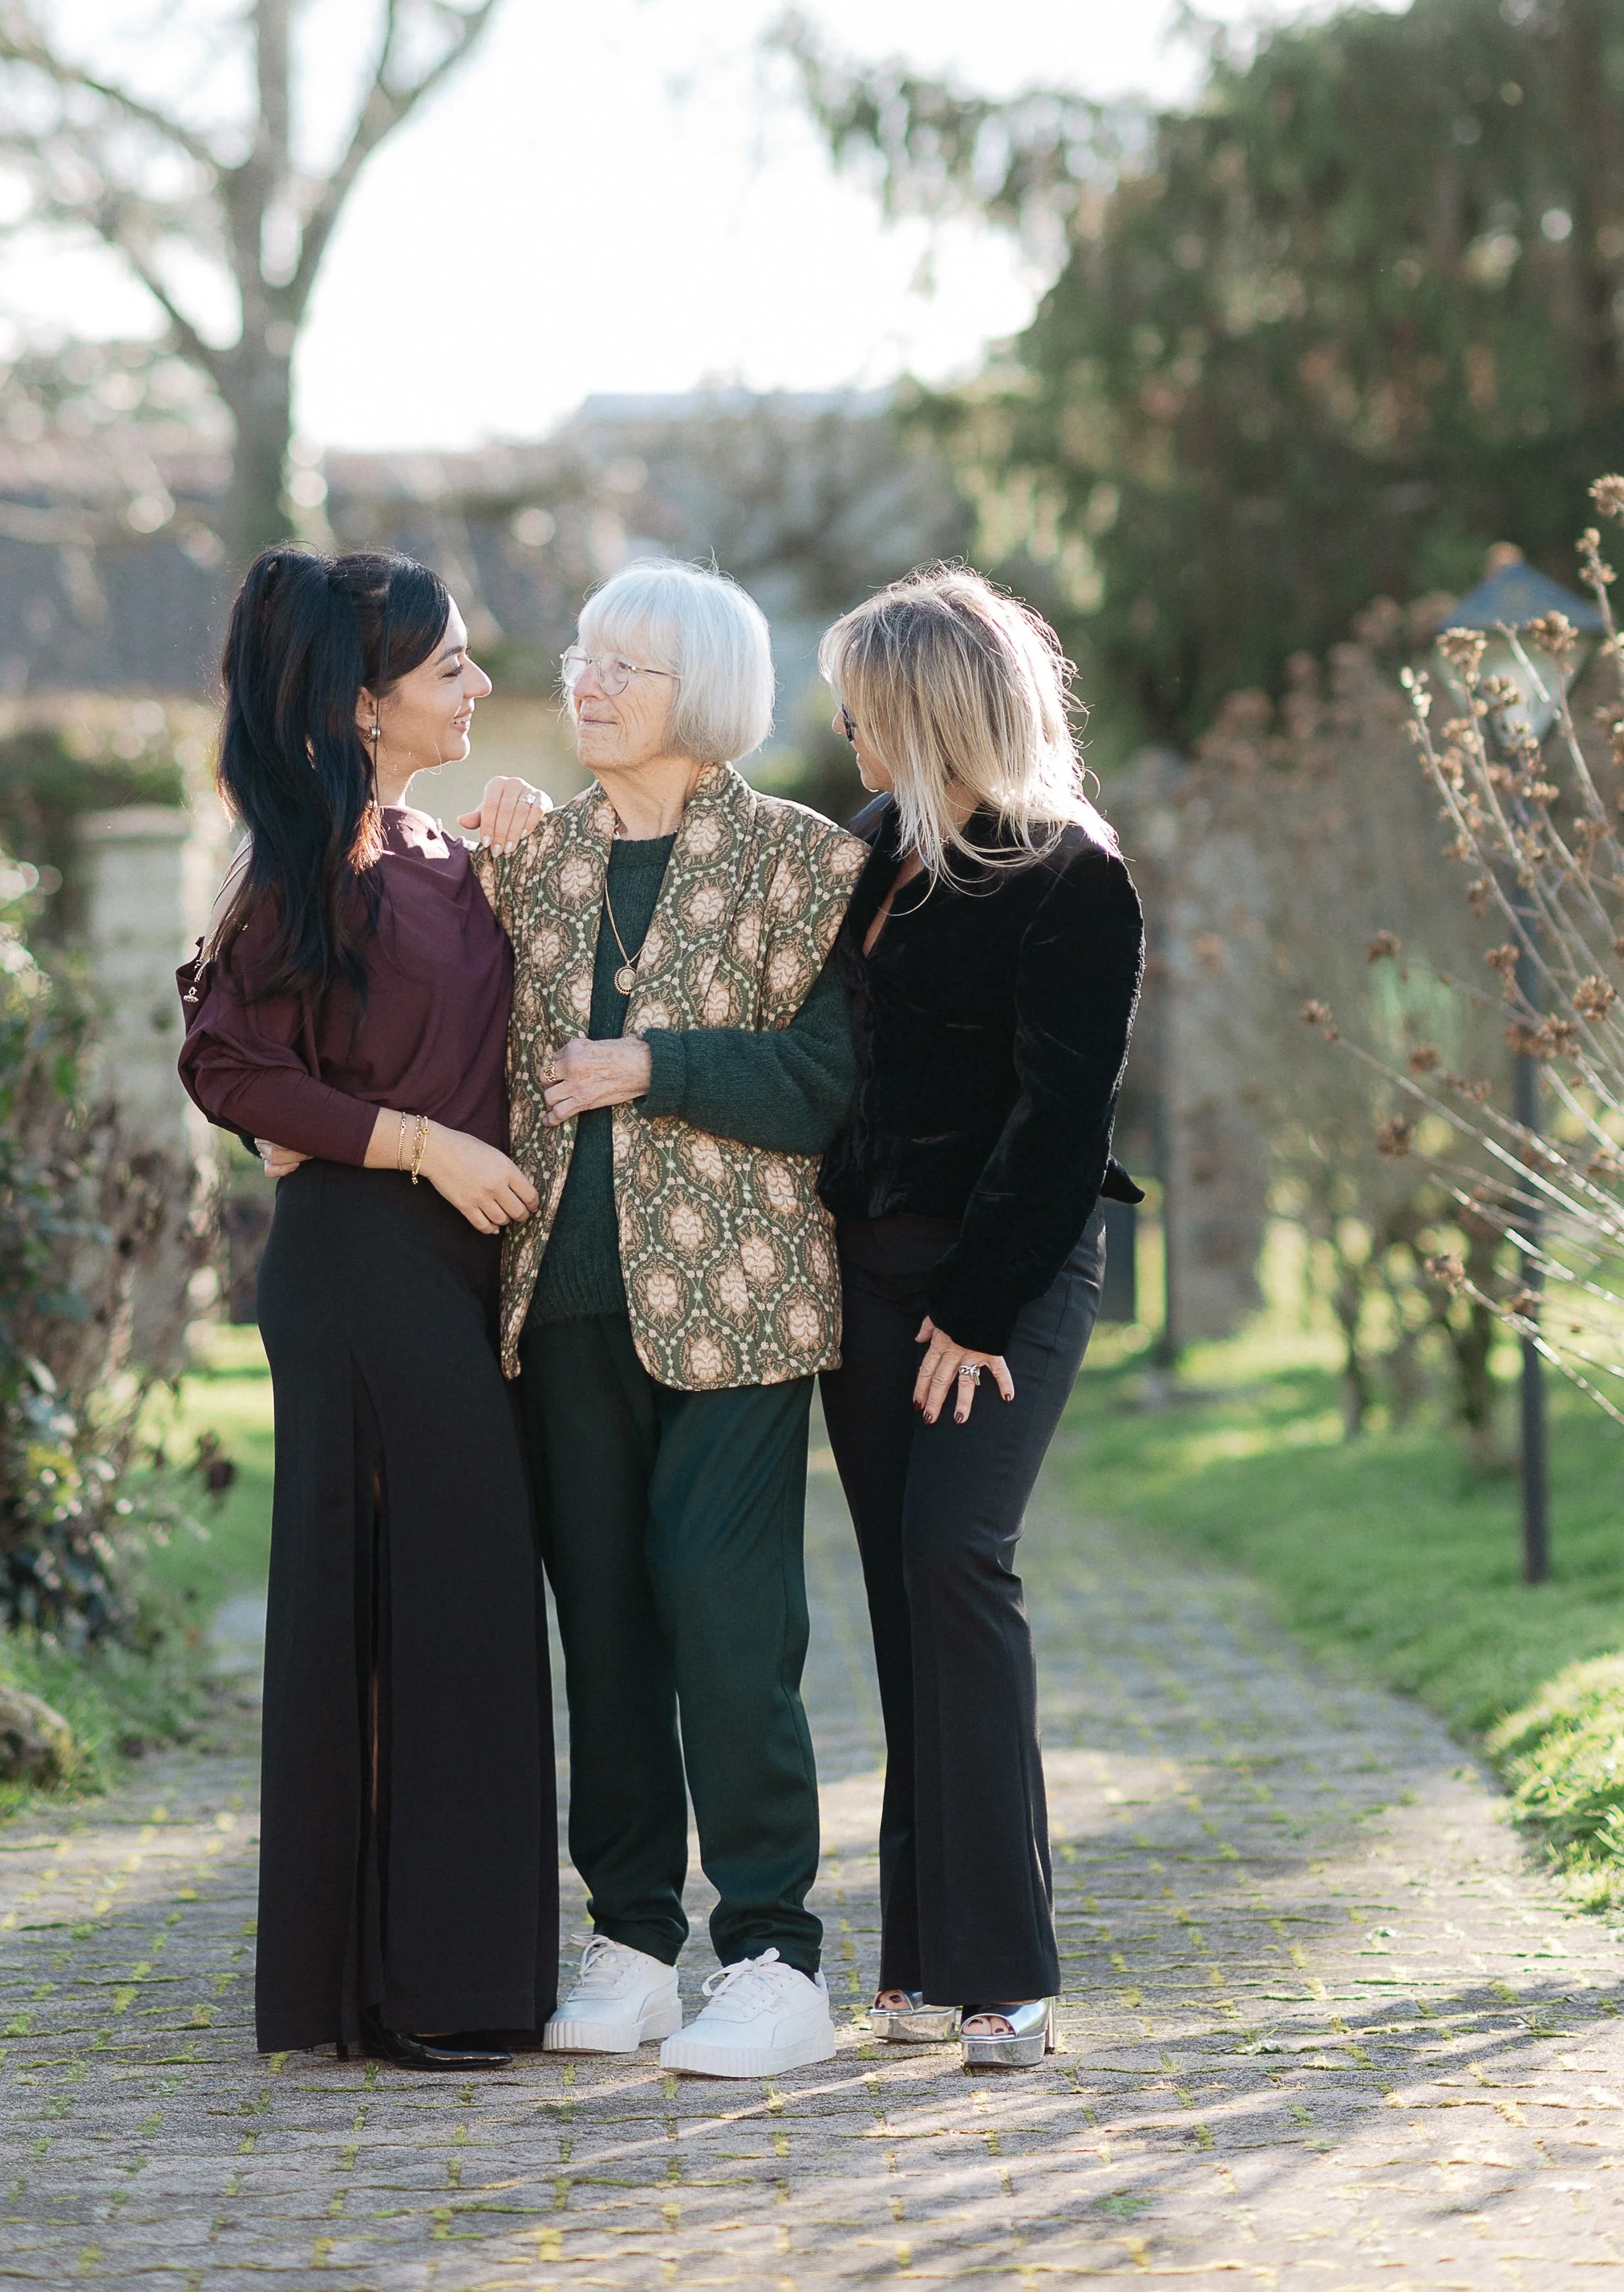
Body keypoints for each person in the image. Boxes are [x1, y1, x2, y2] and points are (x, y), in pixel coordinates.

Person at [467, 561, 865, 2081]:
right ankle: (630, 1942)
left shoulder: (801, 865)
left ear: (699, 691)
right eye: (579, 655)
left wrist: (658, 1064)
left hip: (745, 1310)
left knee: (725, 1616)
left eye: (625, 664)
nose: (588, 681)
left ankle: (774, 1956)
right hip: (562, 1307)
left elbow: (827, 1086)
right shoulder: (524, 858)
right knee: (611, 1640)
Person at [175, 548, 557, 2071]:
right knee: (424, 1606)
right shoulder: (306, 861)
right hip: (357, 1260)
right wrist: (414, 1144)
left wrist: (510, 857)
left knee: (456, 1601)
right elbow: (229, 1065)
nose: (477, 682)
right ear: (360, 699)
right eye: (448, 664)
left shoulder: (428, 845)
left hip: (449, 1272)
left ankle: (426, 1979)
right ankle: (412, 1991)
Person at [816, 565, 1143, 2069]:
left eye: (861, 705)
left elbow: (1060, 1116)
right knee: (899, 1601)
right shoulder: (871, 849)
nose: (842, 730)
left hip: (1005, 1278)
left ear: (924, 708)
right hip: (867, 1275)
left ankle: (1007, 1974)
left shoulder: (1075, 873)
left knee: (959, 1562)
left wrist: (974, 1307)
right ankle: (919, 1959)